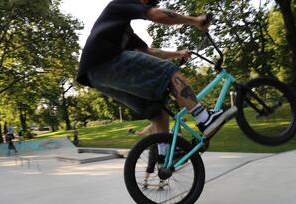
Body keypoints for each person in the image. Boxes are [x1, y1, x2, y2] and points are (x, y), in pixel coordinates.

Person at [77, 0, 237, 146]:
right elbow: (157, 14)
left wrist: (178, 53)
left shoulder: (124, 30)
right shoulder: (119, 4)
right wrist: (195, 21)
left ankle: (165, 155)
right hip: (105, 60)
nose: (147, 3)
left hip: (96, 76)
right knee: (169, 71)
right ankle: (205, 119)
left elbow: (149, 51)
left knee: (157, 108)